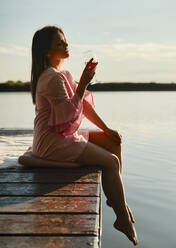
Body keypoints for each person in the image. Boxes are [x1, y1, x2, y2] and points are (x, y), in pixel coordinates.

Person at [30, 25, 138, 245]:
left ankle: (117, 198)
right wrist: (84, 83)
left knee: (112, 142)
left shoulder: (61, 75)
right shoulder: (52, 78)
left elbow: (83, 106)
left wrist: (107, 129)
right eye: (59, 43)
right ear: (46, 51)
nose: (66, 45)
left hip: (61, 136)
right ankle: (122, 217)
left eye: (65, 41)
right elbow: (64, 119)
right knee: (110, 161)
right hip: (52, 141)